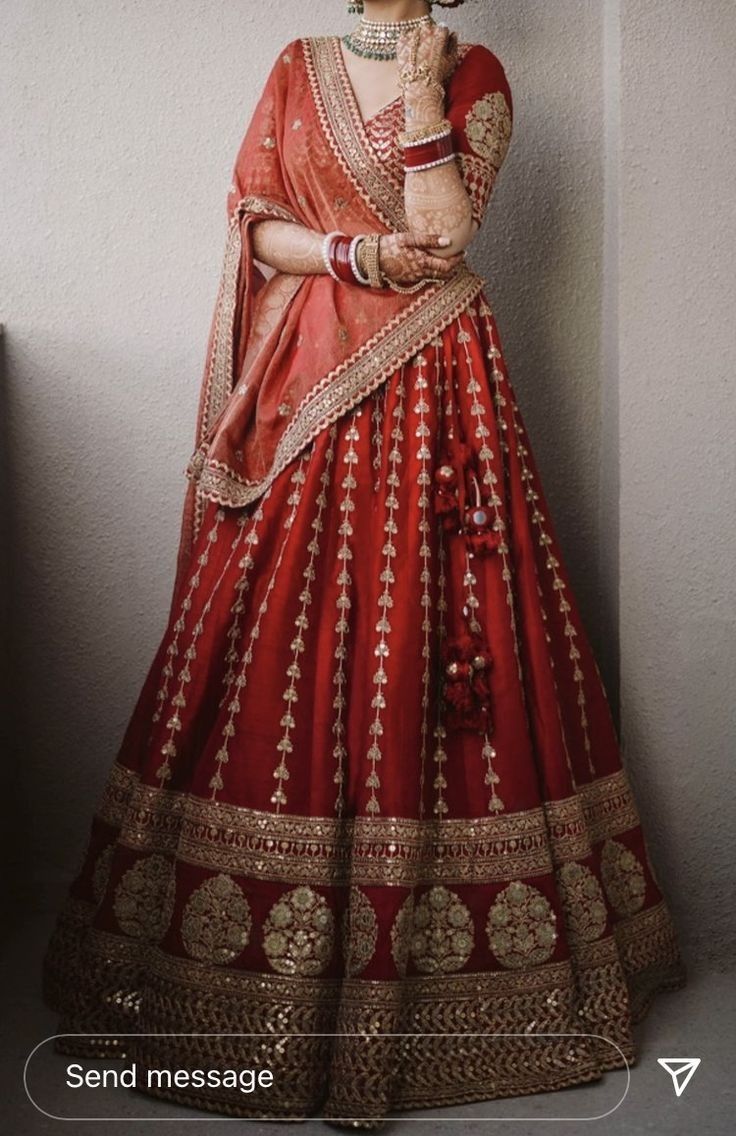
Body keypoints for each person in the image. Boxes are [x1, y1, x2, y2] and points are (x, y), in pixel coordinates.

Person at [41, 0, 687, 1127]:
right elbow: (252, 225)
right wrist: (355, 254)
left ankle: (452, 985)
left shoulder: (475, 69)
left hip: (433, 384)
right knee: (270, 634)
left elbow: (448, 236)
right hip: (305, 385)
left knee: (451, 634)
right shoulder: (295, 67)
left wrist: (427, 95)